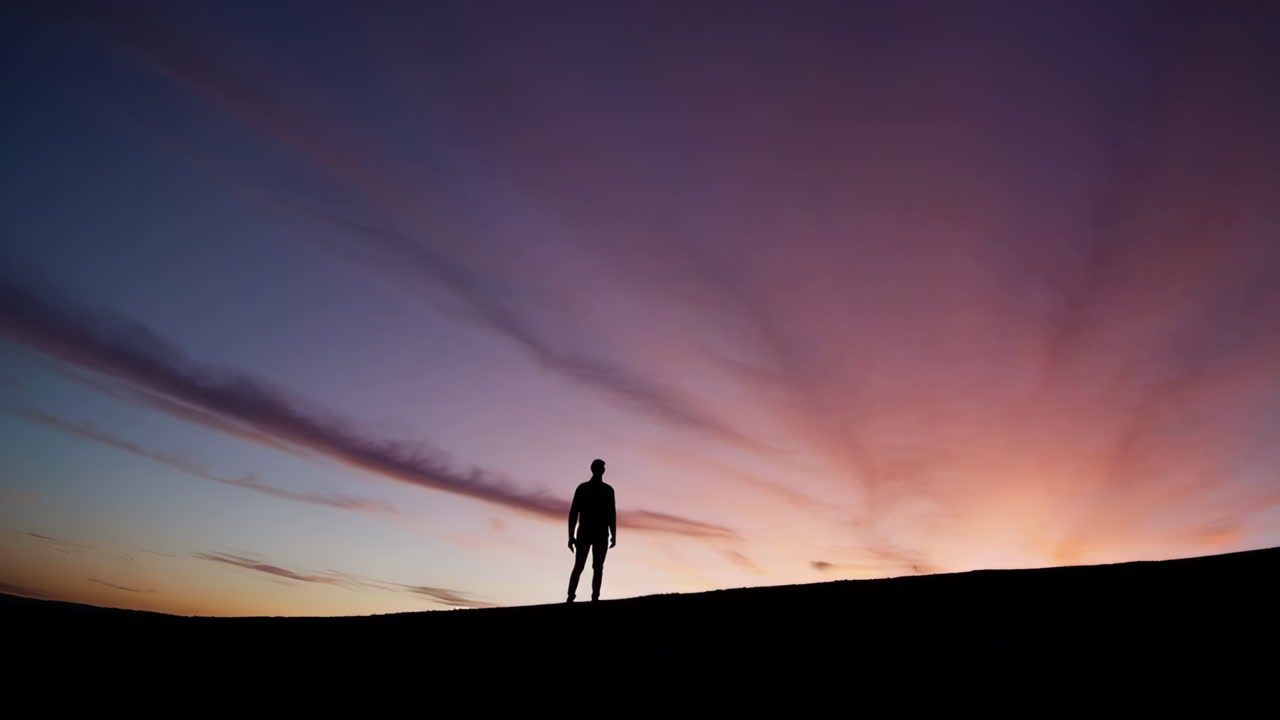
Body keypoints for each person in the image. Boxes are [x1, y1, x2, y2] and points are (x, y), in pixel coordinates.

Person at [566, 458, 616, 602]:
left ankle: (594, 597)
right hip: (586, 533)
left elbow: (611, 514)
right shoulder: (584, 488)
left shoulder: (607, 490)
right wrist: (570, 535)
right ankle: (571, 597)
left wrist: (613, 534)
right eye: (601, 467)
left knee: (597, 567)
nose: (602, 470)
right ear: (597, 469)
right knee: (580, 566)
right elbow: (574, 512)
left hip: (599, 534)